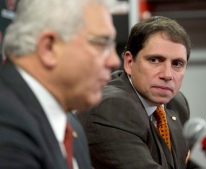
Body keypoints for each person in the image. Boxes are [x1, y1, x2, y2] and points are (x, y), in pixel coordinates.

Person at [0, 0, 120, 168]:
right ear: (49, 47)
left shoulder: (71, 129)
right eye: (101, 43)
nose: (114, 61)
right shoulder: (7, 127)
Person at [78, 16, 199, 169]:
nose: (167, 75)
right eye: (155, 60)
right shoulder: (111, 108)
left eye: (177, 64)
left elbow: (192, 165)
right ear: (129, 63)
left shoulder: (176, 103)